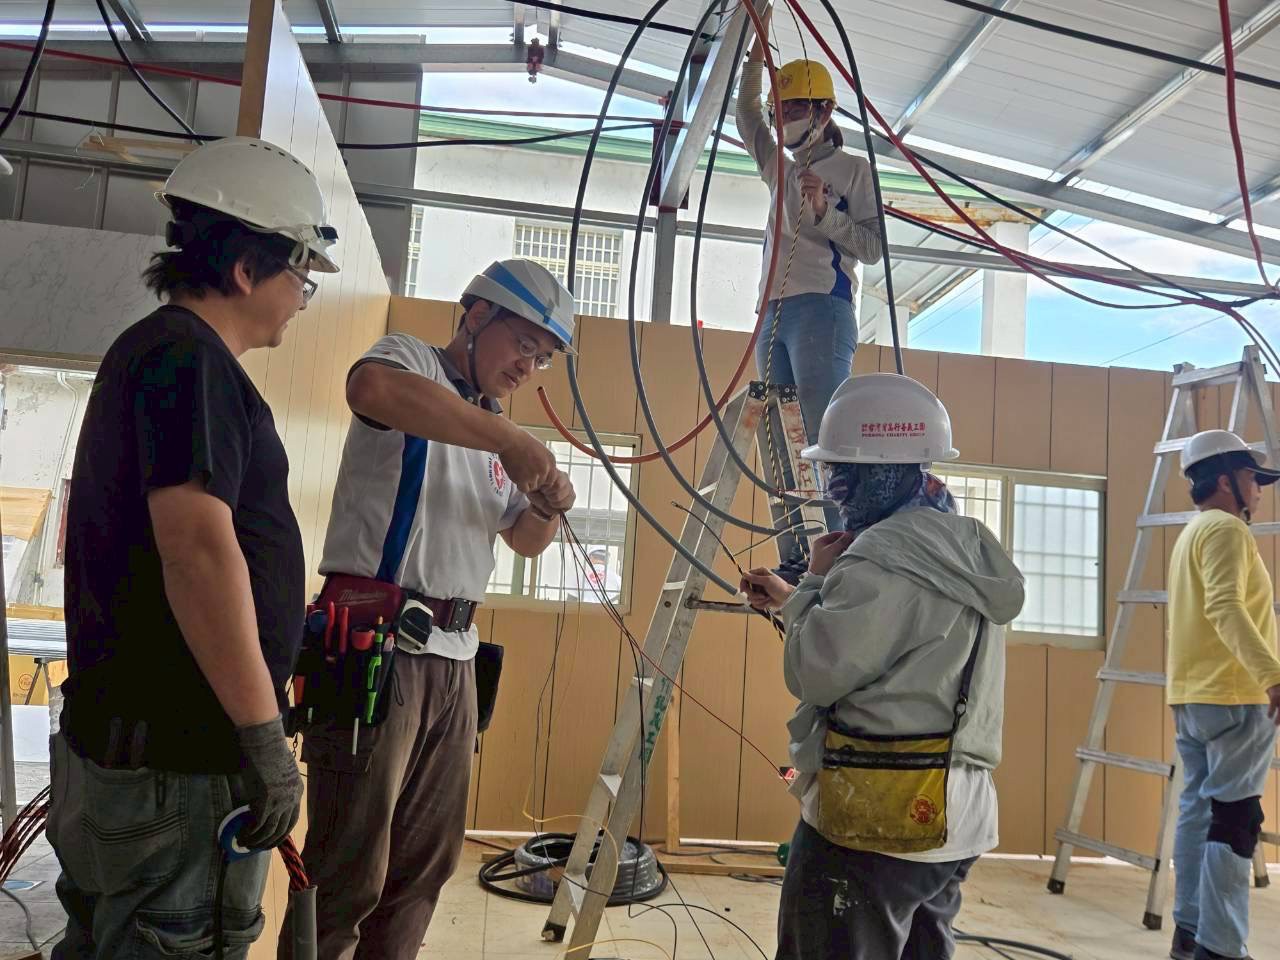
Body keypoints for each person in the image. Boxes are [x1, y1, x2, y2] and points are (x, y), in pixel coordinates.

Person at [48, 136, 338, 959]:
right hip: (179, 776)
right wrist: (262, 738)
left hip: (136, 762)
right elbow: (199, 553)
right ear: (246, 270)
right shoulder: (190, 361)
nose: (303, 297)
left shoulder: (159, 355)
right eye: (301, 274)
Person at [287, 258, 578, 959]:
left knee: (424, 866)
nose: (527, 367)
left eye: (541, 358)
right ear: (475, 316)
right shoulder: (410, 363)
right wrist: (511, 439)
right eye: (523, 345)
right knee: (348, 868)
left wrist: (547, 505)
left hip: (454, 661)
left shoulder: (491, 431)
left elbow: (523, 540)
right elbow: (372, 388)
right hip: (378, 647)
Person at [741, 373, 1024, 960]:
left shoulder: (880, 559)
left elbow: (815, 673)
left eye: (845, 471)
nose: (835, 489)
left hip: (878, 817)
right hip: (956, 818)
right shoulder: (963, 546)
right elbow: (895, 640)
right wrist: (795, 601)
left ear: (889, 472)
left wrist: (814, 582)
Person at [736, 11, 884, 584]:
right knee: (779, 438)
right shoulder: (780, 167)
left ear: (824, 112)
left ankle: (838, 551)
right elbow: (747, 114)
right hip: (773, 311)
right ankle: (798, 552)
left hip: (823, 309)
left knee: (823, 436)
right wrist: (756, 53)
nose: (784, 119)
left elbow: (872, 248)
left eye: (795, 109)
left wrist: (825, 211)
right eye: (781, 110)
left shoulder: (852, 170)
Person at [1166, 429, 1280, 960]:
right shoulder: (1229, 530)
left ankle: (1190, 933)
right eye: (1253, 479)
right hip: (1236, 695)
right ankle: (1222, 946)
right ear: (1225, 482)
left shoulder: (1191, 533)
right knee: (1235, 819)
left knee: (1198, 812)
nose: (1259, 490)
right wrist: (1272, 675)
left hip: (1193, 696)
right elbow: (1225, 606)